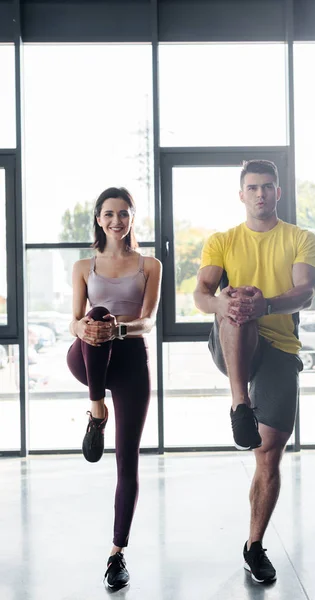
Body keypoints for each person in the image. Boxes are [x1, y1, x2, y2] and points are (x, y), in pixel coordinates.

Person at [193, 160, 315, 584]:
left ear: (278, 193)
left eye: (267, 187)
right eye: (252, 187)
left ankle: (253, 544)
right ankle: (239, 402)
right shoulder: (223, 240)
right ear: (241, 194)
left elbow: (304, 293)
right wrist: (228, 303)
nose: (260, 193)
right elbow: (201, 295)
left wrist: (263, 304)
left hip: (279, 347)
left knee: (268, 452)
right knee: (236, 298)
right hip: (230, 346)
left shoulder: (301, 238)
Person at [66, 187, 162, 590]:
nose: (116, 220)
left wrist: (117, 329)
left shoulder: (150, 264)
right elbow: (73, 320)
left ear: (132, 218)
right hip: (86, 358)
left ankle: (116, 554)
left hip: (130, 361)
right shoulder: (83, 266)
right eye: (109, 213)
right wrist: (90, 326)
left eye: (124, 213)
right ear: (98, 218)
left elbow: (149, 321)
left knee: (127, 459)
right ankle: (96, 408)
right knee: (96, 313)